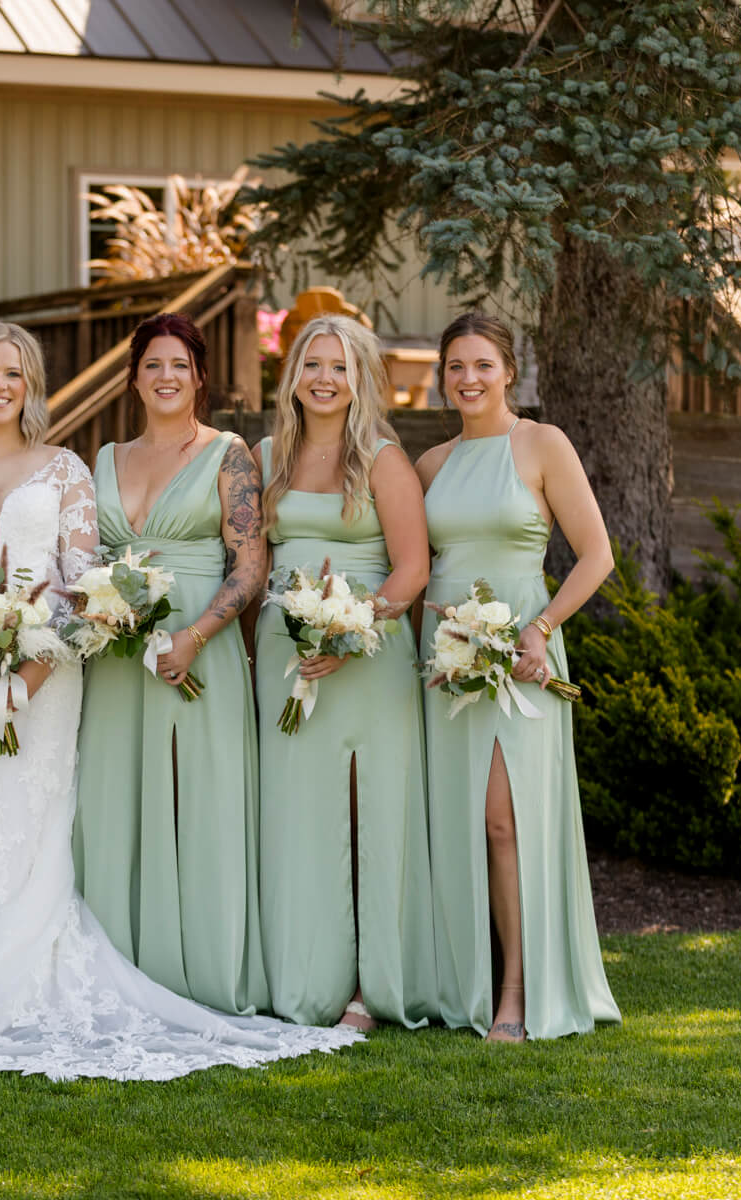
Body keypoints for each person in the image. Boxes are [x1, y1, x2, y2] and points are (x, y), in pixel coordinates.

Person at [0, 321, 361, 1080]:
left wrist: (31, 671)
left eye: (13, 374)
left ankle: (40, 979)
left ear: (30, 386)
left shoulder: (65, 470)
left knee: (37, 823)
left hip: (47, 678)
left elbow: (80, 576)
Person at [414, 312, 621, 1041]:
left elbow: (596, 555)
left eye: (482, 365)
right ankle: (458, 977)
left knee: (507, 822)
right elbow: (415, 563)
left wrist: (540, 628)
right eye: (455, 368)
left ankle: (517, 990)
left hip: (523, 660)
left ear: (508, 370)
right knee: (457, 824)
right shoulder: (431, 466)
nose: (468, 379)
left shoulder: (540, 444)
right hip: (444, 662)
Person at [72, 312, 270, 1016]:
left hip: (200, 654)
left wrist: (197, 635)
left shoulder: (229, 454)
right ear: (133, 378)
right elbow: (83, 561)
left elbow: (251, 566)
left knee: (199, 799)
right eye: (153, 364)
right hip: (118, 660)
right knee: (115, 799)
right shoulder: (103, 459)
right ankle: (116, 969)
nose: (165, 377)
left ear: (199, 377)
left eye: (179, 365)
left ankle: (203, 972)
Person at [251, 315, 436, 1031]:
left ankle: (367, 988)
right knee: (299, 816)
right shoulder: (267, 457)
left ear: (361, 379)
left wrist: (353, 627)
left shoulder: (383, 459)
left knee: (366, 814)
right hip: (285, 653)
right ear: (293, 375)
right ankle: (304, 977)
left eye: (338, 366)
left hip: (367, 654)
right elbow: (255, 561)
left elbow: (413, 567)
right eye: (311, 364)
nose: (323, 379)